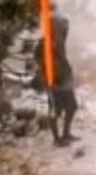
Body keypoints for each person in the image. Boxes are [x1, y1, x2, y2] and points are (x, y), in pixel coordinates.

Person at [34, 15, 79, 147]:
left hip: (65, 80)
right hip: (53, 82)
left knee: (72, 107)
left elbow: (62, 60)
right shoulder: (44, 43)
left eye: (65, 28)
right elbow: (39, 61)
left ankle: (66, 134)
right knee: (55, 110)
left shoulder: (59, 42)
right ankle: (56, 139)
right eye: (62, 27)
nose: (65, 30)